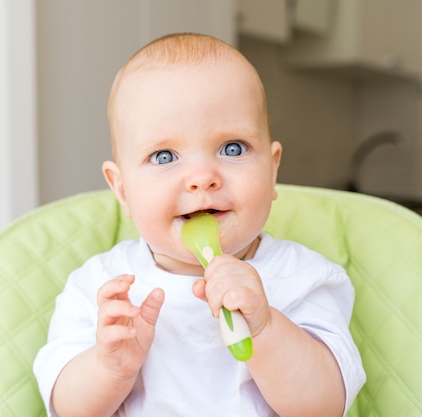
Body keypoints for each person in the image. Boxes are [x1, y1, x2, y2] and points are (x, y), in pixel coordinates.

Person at [34, 32, 365, 417]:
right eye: (163, 156)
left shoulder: (301, 276)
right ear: (121, 189)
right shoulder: (101, 287)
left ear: (272, 171)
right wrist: (108, 368)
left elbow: (323, 406)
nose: (202, 177)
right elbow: (66, 408)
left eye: (232, 148)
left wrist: (266, 329)